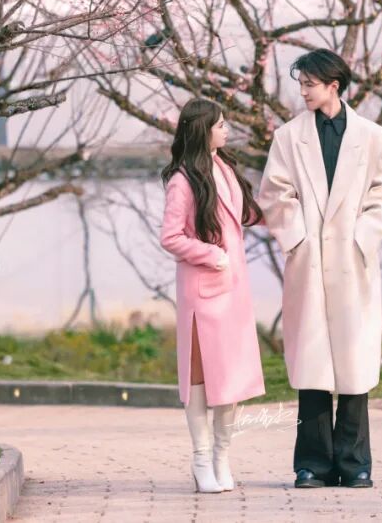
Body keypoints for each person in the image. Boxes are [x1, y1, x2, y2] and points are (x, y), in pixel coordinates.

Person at [258, 48, 382, 489]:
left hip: (353, 263)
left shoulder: (374, 137)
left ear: (333, 85)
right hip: (310, 264)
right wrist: (298, 239)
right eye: (300, 84)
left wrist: (362, 238)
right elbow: (274, 193)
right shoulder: (287, 137)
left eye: (309, 84)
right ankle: (313, 465)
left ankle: (355, 463)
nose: (302, 92)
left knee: (355, 366)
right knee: (313, 367)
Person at [159, 98, 267, 493]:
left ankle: (222, 456)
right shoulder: (182, 180)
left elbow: (244, 214)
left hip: (233, 292)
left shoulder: (225, 168)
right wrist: (211, 255)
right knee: (201, 383)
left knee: (232, 381)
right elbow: (170, 237)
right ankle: (201, 459)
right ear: (202, 130)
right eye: (221, 125)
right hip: (202, 294)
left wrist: (287, 209)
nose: (227, 130)